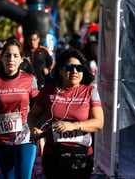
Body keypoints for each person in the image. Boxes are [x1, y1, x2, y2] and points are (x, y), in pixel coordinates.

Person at [28, 49, 104, 179]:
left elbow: (99, 122)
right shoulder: (48, 90)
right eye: (69, 67)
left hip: (81, 157)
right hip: (53, 156)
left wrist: (74, 126)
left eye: (79, 68)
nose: (74, 71)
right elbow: (33, 115)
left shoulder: (90, 91)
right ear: (60, 70)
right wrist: (34, 128)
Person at [0, 39, 39, 179]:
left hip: (25, 137)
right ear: (2, 58)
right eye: (7, 55)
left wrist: (40, 133)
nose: (11, 59)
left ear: (22, 59)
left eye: (15, 55)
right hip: (1, 139)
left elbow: (38, 108)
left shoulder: (30, 79)